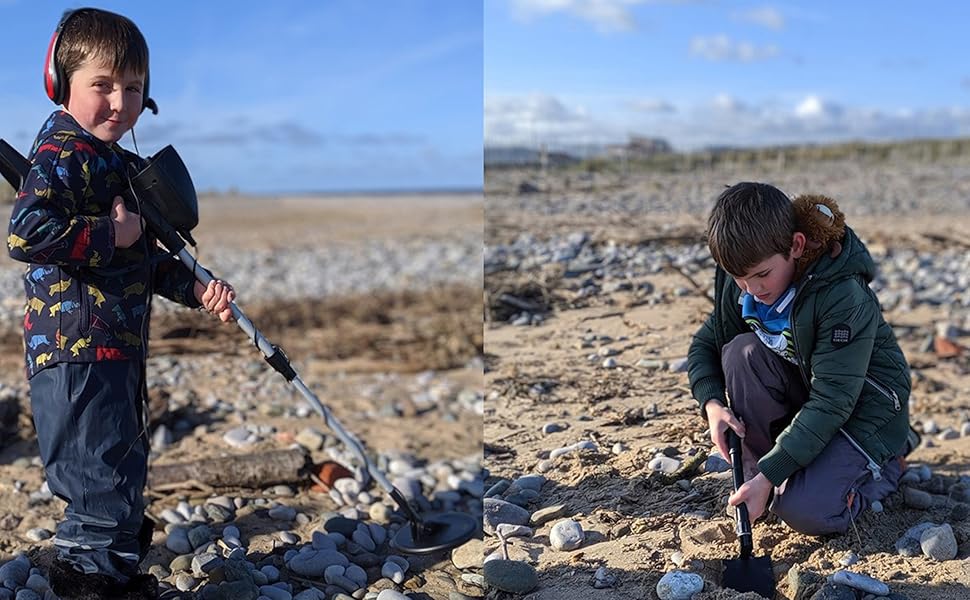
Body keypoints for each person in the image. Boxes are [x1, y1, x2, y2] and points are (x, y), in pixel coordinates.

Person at [7, 8, 235, 598]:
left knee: (121, 459)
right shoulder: (63, 151)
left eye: (132, 88)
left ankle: (114, 565)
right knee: (96, 469)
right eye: (102, 85)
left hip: (115, 343)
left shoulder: (113, 161)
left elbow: (144, 257)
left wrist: (195, 288)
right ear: (61, 83)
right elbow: (26, 234)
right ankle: (88, 576)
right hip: (74, 347)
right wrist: (113, 233)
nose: (119, 102)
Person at [687, 181, 917, 535]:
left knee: (805, 511)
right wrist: (713, 405)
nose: (753, 290)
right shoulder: (747, 278)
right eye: (739, 278)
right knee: (740, 352)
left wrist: (772, 475)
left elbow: (833, 401)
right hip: (809, 398)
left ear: (795, 246)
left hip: (863, 411)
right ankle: (765, 471)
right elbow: (706, 345)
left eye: (762, 275)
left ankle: (890, 463)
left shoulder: (841, 295)